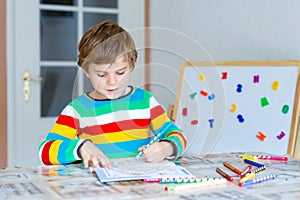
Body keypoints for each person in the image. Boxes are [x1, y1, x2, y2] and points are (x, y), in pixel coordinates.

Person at [38, 20, 187, 168]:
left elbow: (178, 136)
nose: (112, 81)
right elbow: (44, 151)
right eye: (102, 75)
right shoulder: (77, 110)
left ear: (131, 66)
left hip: (139, 185)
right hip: (99, 189)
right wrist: (80, 147)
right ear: (86, 71)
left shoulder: (145, 101)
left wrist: (166, 148)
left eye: (120, 72)